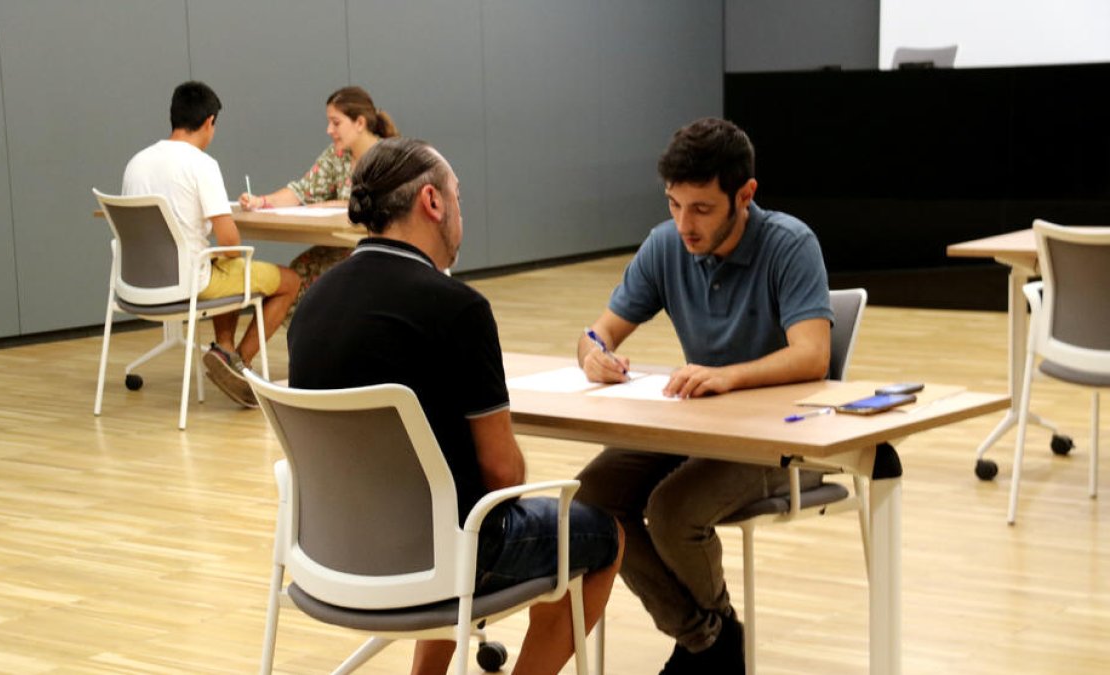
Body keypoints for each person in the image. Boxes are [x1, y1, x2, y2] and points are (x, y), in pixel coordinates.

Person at [286, 137, 624, 675]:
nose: (460, 212)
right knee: (601, 535)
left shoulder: (313, 302)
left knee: (443, 509)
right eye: (458, 198)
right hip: (439, 560)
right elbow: (500, 470)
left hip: (332, 556)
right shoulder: (457, 309)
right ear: (432, 202)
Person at [574, 117, 833, 674]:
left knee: (671, 510)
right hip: (694, 424)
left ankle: (704, 645)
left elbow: (813, 355)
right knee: (592, 497)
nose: (684, 225)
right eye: (674, 205)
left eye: (701, 209)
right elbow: (599, 331)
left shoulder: (791, 244)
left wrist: (729, 375)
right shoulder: (665, 244)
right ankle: (710, 638)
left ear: (745, 195)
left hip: (779, 438)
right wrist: (593, 352)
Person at [122, 81, 300, 409]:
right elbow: (229, 241)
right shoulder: (201, 164)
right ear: (209, 122)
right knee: (290, 281)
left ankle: (225, 349)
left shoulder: (136, 163)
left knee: (225, 265)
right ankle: (239, 364)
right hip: (190, 282)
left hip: (136, 286)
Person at [239, 86, 398, 312]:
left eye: (336, 122)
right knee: (298, 274)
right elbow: (302, 190)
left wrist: (336, 204)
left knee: (327, 281)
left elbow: (388, 207)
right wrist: (260, 201)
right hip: (342, 244)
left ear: (360, 123)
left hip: (378, 248)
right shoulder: (336, 155)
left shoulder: (390, 156)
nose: (329, 130)